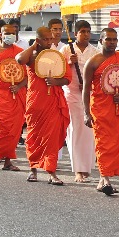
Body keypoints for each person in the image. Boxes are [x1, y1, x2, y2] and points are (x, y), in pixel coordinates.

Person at [84, 27, 119, 196]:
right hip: (100, 108)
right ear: (100, 41)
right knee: (103, 144)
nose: (112, 42)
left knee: (117, 144)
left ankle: (103, 180)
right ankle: (105, 178)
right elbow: (86, 90)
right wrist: (86, 113)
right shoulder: (92, 62)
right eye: (108, 39)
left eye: (114, 39)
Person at [16, 21, 71, 184]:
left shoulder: (57, 57)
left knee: (52, 138)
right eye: (46, 39)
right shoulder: (31, 56)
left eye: (50, 39)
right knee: (33, 136)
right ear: (38, 40)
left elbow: (68, 79)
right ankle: (33, 169)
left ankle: (51, 172)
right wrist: (34, 46)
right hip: (35, 102)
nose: (49, 42)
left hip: (53, 102)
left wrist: (55, 81)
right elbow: (19, 59)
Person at [0, 21, 26, 171]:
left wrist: (20, 85)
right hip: (1, 93)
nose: (10, 36)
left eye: (13, 33)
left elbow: (27, 75)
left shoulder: (21, 52)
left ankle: (8, 160)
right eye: (7, 33)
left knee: (15, 127)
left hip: (18, 93)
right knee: (2, 124)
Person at [64, 20, 101, 183]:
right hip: (71, 94)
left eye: (88, 31)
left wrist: (87, 84)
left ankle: (86, 168)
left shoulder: (95, 52)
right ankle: (77, 170)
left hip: (89, 94)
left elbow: (98, 73)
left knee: (88, 132)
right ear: (75, 33)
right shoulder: (66, 49)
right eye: (82, 31)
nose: (86, 34)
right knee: (75, 131)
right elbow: (58, 71)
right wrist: (69, 63)